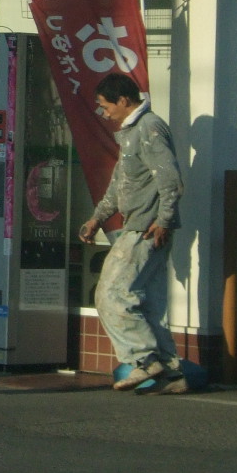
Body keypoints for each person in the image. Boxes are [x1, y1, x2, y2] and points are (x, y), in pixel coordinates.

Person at [77, 72, 186, 391]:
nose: (103, 112)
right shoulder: (133, 132)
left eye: (104, 105)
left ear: (123, 101)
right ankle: (171, 372)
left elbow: (170, 180)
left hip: (145, 227)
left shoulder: (149, 128)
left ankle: (143, 360)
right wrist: (98, 217)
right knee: (145, 301)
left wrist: (164, 219)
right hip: (144, 224)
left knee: (111, 294)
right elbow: (121, 183)